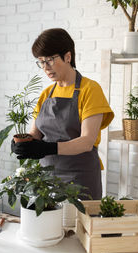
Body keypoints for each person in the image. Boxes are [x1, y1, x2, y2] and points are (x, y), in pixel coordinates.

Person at [11, 28, 114, 200]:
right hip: (46, 180)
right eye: (41, 62)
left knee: (77, 226)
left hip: (80, 179)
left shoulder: (90, 90)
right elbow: (35, 134)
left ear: (68, 56)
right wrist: (21, 143)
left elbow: (87, 141)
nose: (45, 67)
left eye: (50, 60)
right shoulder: (46, 94)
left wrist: (48, 148)